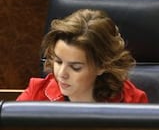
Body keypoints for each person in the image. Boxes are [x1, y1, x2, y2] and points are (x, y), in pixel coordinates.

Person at [17, 9, 148, 103]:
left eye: (75, 67)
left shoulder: (132, 101)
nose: (61, 74)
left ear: (102, 66)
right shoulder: (36, 94)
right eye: (58, 61)